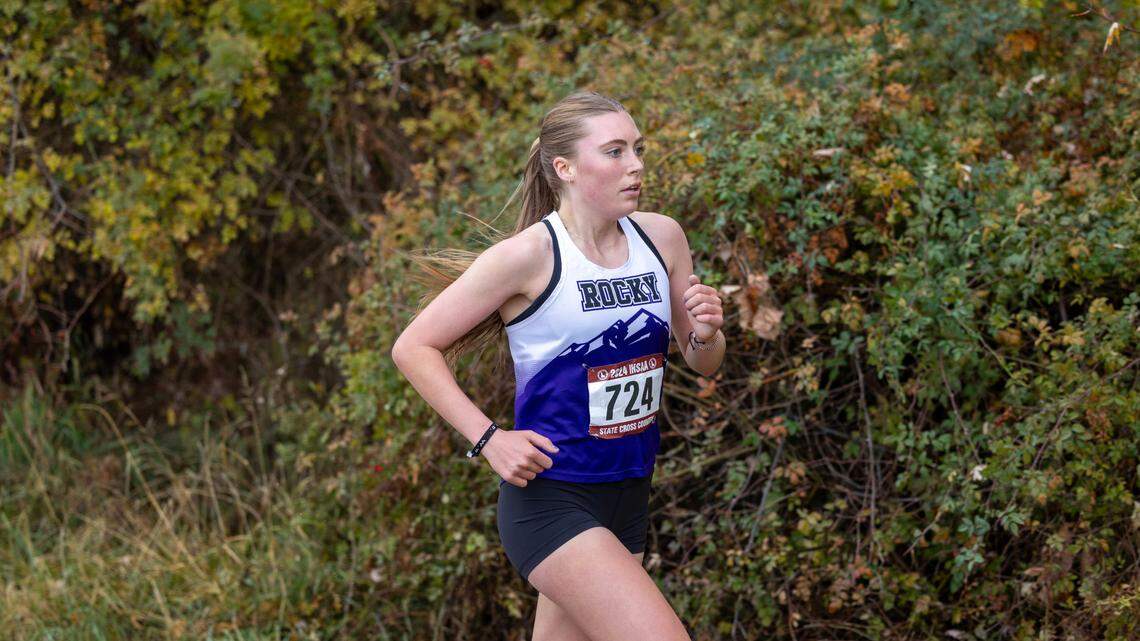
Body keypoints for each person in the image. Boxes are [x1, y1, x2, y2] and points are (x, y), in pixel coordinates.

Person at [391, 90, 725, 641]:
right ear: (565, 168)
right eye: (615, 151)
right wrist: (489, 439)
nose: (636, 165)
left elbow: (703, 363)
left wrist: (708, 333)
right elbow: (413, 347)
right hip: (553, 498)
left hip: (630, 490)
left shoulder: (662, 237)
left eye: (637, 149)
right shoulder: (528, 257)